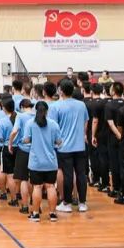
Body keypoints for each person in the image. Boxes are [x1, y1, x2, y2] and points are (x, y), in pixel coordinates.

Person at [50, 81, 90, 213]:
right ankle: (82, 203)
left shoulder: (55, 106)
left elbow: (53, 127)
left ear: (61, 91)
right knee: (81, 174)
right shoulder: (81, 105)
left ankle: (66, 203)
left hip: (64, 147)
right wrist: (82, 135)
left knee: (68, 175)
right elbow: (86, 121)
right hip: (80, 146)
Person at [24, 101, 62, 222]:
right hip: (51, 162)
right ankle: (53, 214)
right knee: (51, 187)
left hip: (36, 162)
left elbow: (26, 140)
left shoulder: (30, 123)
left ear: (35, 110)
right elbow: (59, 142)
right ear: (47, 111)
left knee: (37, 187)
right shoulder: (54, 124)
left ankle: (35, 214)